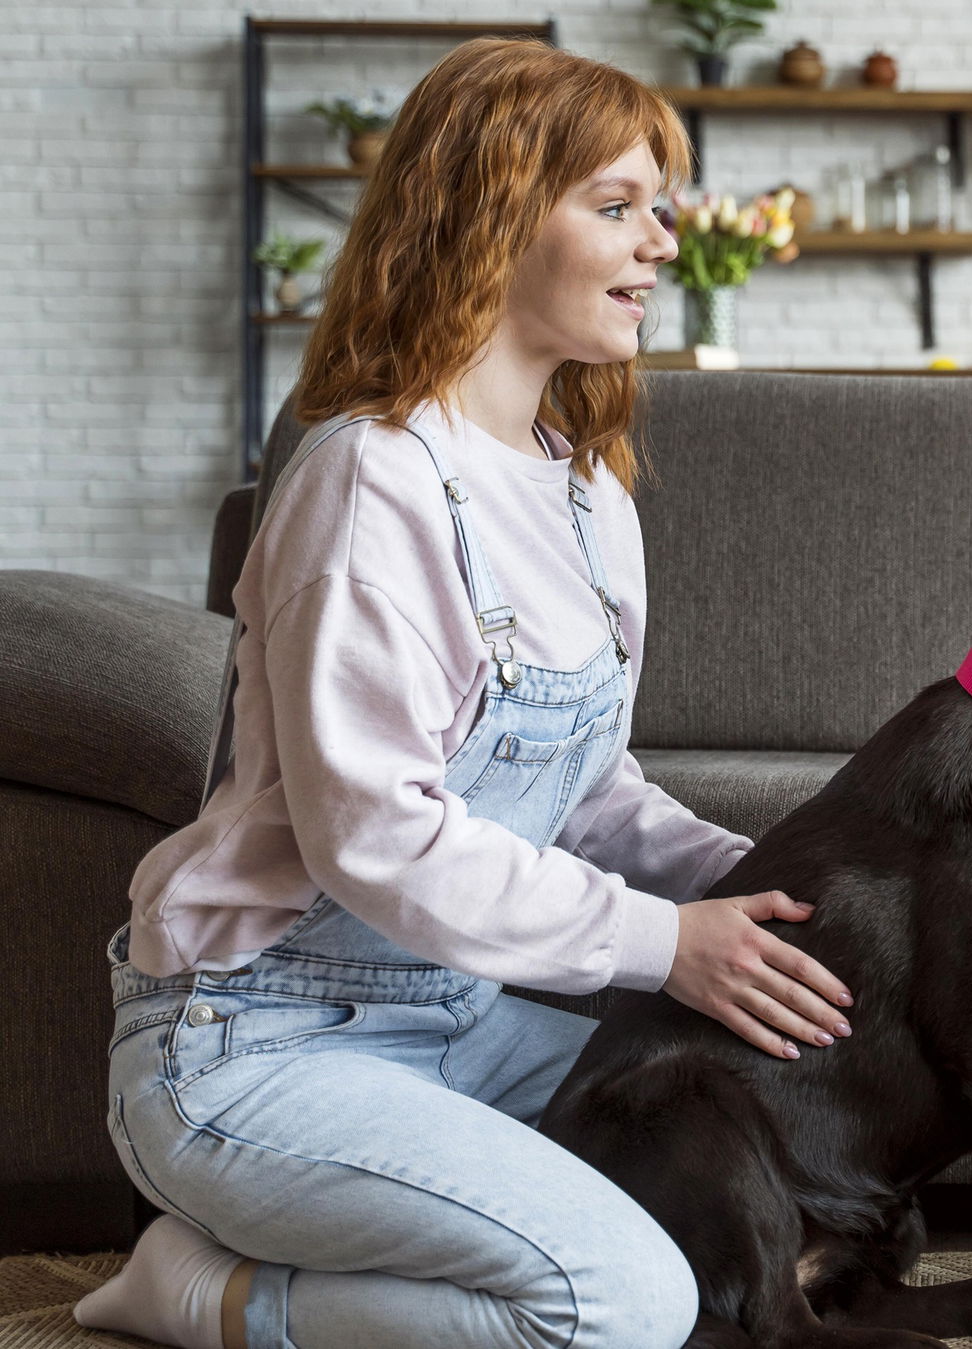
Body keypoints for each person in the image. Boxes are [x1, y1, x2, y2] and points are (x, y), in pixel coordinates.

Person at [74, 39, 852, 1349]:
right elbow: (374, 833)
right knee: (628, 1304)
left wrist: (785, 876)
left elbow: (587, 788)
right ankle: (207, 1290)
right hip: (258, 1045)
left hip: (465, 1020)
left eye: (659, 205)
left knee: (786, 1190)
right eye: (617, 207)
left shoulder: (586, 488)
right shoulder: (367, 479)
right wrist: (665, 943)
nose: (663, 241)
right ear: (489, 214)